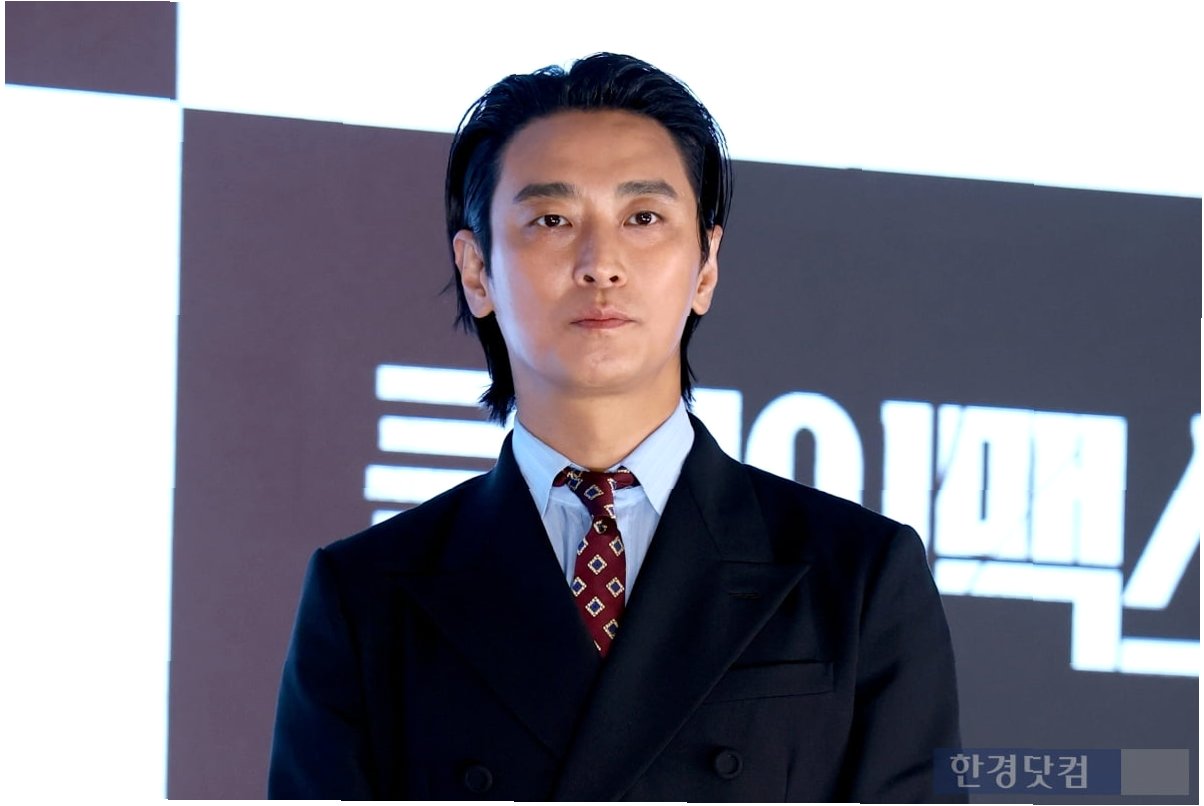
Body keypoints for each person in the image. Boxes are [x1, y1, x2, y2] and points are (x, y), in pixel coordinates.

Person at [268, 52, 963, 801]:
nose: (601, 264)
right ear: (476, 271)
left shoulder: (857, 577)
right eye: (552, 220)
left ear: (705, 266)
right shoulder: (365, 594)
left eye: (643, 219)